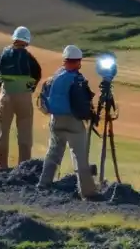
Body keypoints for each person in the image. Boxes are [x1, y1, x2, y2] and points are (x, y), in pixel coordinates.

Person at [37, 45, 98, 199]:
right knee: (79, 156)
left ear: (64, 61)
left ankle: (44, 183)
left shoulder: (55, 76)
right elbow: (83, 104)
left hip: (55, 120)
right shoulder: (78, 79)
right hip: (73, 122)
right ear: (79, 62)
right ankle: (87, 192)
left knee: (53, 152)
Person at [0, 25, 43, 171]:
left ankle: (1, 166)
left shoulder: (3, 56)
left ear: (14, 38)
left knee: (3, 130)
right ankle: (24, 166)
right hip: (24, 97)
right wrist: (29, 88)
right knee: (25, 131)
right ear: (26, 41)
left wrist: (3, 87)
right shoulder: (29, 58)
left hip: (6, 96)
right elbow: (38, 74)